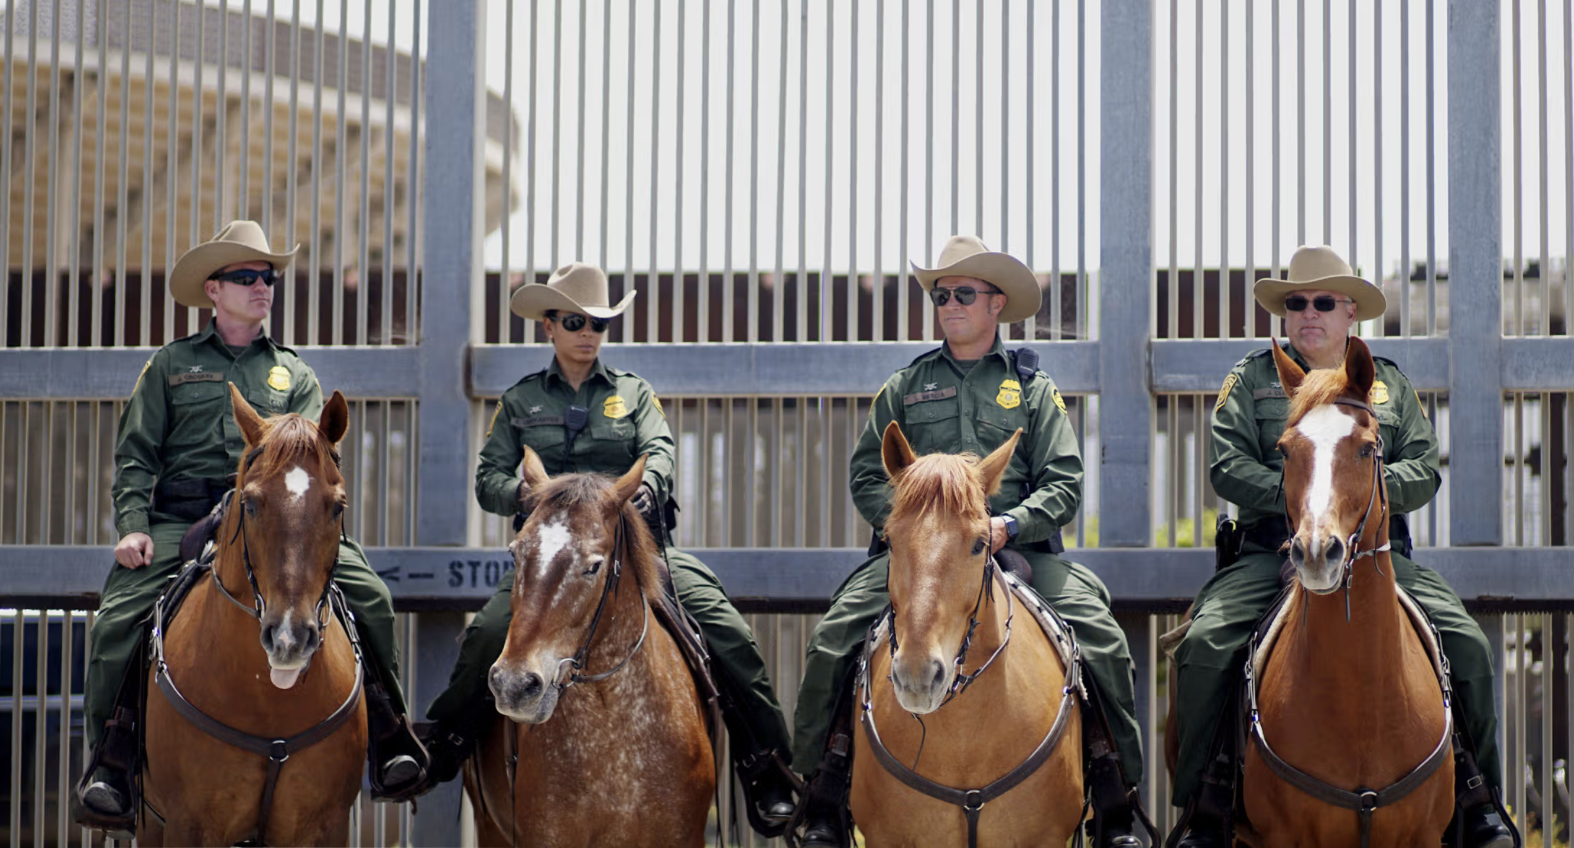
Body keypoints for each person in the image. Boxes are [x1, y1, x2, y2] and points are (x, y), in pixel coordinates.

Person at [417, 262, 799, 836]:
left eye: (599, 322)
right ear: (549, 326)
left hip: (634, 553)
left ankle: (765, 768)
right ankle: (446, 746)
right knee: (486, 635)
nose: (588, 332)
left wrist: (648, 486)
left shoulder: (633, 393)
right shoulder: (520, 401)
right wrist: (524, 493)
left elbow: (661, 450)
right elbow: (488, 477)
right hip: (550, 558)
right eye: (575, 321)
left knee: (727, 633)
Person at [791, 235, 1148, 848]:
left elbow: (1065, 480)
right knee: (833, 640)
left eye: (962, 293)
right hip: (914, 557)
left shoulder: (1033, 390)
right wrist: (907, 528)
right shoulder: (904, 386)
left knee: (1101, 636)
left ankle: (1114, 798)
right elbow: (865, 474)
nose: (949, 303)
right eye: (940, 294)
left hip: (1015, 545)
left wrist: (1010, 523)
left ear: (995, 304)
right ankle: (823, 793)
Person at [72, 220, 428, 831]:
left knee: (371, 597)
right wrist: (132, 524)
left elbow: (317, 465)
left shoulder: (296, 375)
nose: (262, 286)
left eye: (268, 277)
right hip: (180, 518)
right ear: (213, 290)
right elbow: (136, 454)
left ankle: (388, 737)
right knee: (116, 620)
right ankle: (112, 762)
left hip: (275, 521)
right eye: (247, 277)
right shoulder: (170, 365)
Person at [1169, 244, 1516, 848]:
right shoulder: (1251, 381)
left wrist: (1359, 490)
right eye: (1297, 303)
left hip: (1381, 556)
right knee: (1203, 646)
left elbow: (1425, 468)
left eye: (1323, 302)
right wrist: (1308, 493)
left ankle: (1477, 798)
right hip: (1270, 550)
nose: (1309, 313)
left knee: (1467, 645)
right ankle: (1207, 801)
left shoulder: (1387, 386)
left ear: (1349, 311)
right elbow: (1225, 468)